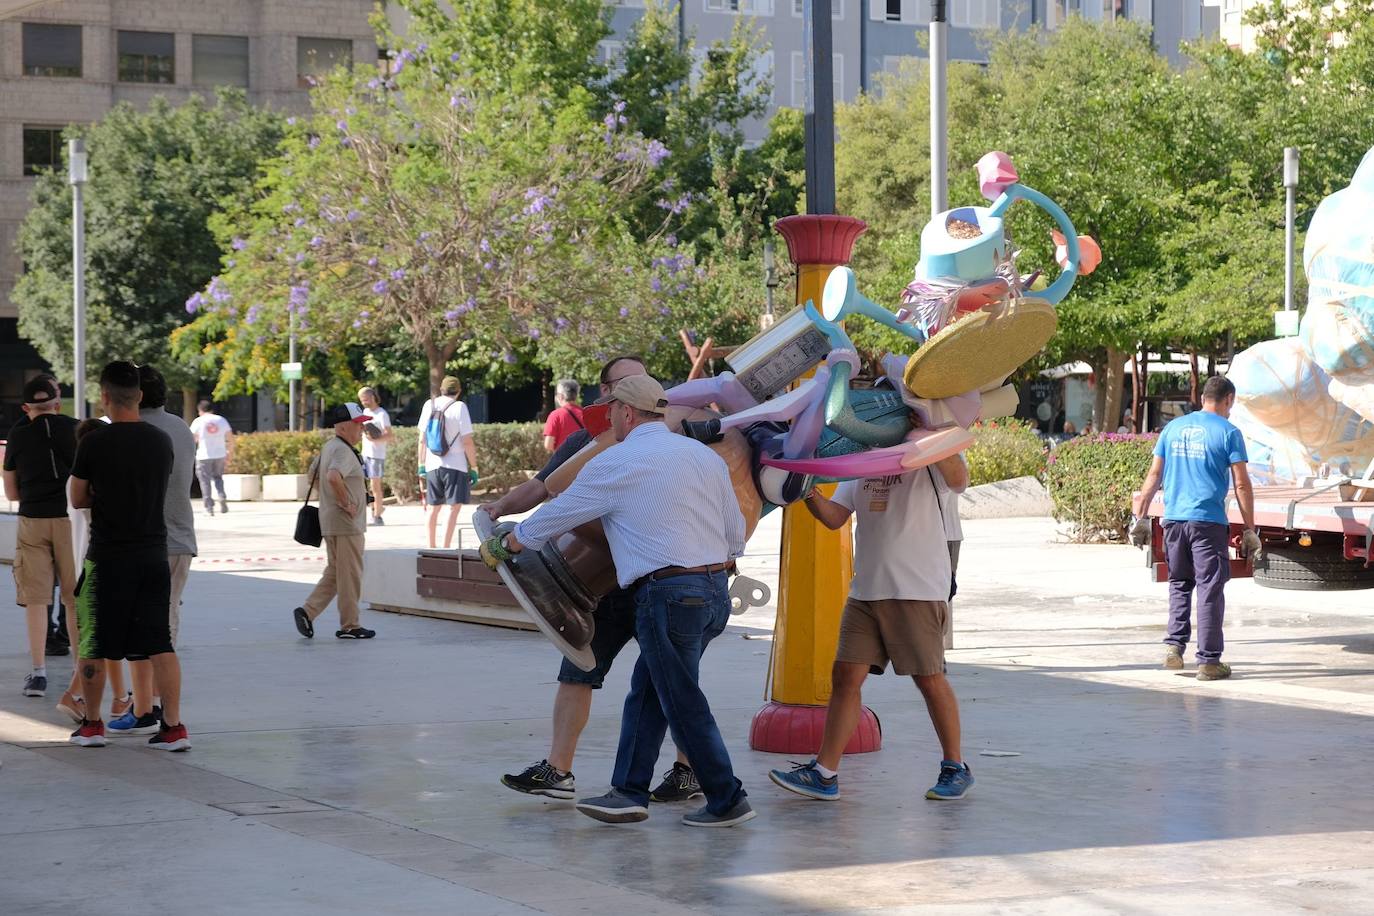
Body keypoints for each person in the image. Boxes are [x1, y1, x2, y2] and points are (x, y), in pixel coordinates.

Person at [489, 375, 754, 828]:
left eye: (611, 409)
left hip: (668, 595)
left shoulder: (619, 460)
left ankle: (728, 798)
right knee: (650, 695)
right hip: (713, 592)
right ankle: (629, 792)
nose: (608, 417)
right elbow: (735, 532)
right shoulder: (702, 457)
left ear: (627, 413)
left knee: (680, 702)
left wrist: (510, 542)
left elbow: (560, 512)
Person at [770, 452, 975, 802]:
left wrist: (930, 433)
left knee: (928, 677)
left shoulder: (928, 460)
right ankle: (824, 773)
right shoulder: (862, 464)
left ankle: (955, 767)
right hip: (865, 590)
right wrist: (806, 491)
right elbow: (836, 518)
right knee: (845, 676)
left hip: (917, 590)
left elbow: (959, 479)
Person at [68, 361, 189, 751]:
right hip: (153, 554)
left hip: (107, 557)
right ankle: (172, 727)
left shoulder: (94, 442)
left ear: (104, 397)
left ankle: (92, 724)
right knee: (160, 643)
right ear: (138, 396)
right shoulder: (161, 441)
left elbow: (77, 497)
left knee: (94, 643)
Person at [1130, 376, 1259, 681]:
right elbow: (1241, 483)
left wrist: (1141, 517)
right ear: (1228, 399)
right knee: (1210, 589)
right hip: (1208, 522)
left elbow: (1154, 474)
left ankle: (1174, 649)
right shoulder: (1229, 432)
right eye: (1231, 404)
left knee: (1179, 583)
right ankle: (1209, 662)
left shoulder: (1173, 428)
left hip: (1173, 520)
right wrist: (1251, 529)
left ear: (1203, 398)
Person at [107, 366, 198, 736]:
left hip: (144, 540)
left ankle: (151, 705)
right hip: (180, 539)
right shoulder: (180, 427)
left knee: (142, 627)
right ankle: (153, 704)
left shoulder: (129, 433)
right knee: (167, 620)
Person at [3, 375, 78, 699]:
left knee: (36, 599)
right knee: (73, 599)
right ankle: (81, 672)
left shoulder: (17, 435)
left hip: (32, 520)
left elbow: (11, 490)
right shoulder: (77, 428)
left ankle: (38, 674)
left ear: (25, 407)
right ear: (57, 403)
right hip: (69, 520)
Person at [293, 403, 376, 640]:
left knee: (336, 571)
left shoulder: (330, 446)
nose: (361, 429)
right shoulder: (342, 451)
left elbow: (313, 475)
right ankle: (350, 625)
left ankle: (307, 612)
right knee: (350, 575)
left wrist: (331, 499)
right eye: (358, 424)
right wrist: (346, 503)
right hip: (346, 524)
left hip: (331, 521)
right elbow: (332, 476)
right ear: (343, 426)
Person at [416, 376, 479, 549]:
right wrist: (473, 466)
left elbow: (422, 439)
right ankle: (445, 546)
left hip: (431, 464)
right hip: (455, 464)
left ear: (441, 389)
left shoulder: (430, 404)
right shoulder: (459, 407)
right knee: (453, 507)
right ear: (458, 391)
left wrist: (421, 464)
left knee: (432, 507)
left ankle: (431, 546)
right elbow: (467, 441)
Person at [189, 400, 233, 516]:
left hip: (204, 455)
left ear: (200, 410)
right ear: (211, 409)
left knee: (205, 481)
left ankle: (209, 507)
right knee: (218, 478)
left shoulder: (198, 421)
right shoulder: (221, 420)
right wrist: (230, 453)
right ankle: (221, 495)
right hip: (220, 454)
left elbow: (191, 439)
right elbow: (230, 438)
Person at [357, 387, 393, 527]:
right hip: (365, 453)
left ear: (373, 397)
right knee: (366, 487)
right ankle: (375, 510)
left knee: (375, 486)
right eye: (361, 400)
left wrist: (374, 439)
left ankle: (378, 516)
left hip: (377, 455)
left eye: (366, 398)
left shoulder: (382, 414)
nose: (364, 402)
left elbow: (390, 435)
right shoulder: (365, 412)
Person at [542, 379, 585, 453]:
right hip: (585, 460)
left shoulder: (555, 415)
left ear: (560, 396)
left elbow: (548, 444)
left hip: (564, 461)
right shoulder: (586, 413)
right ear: (576, 395)